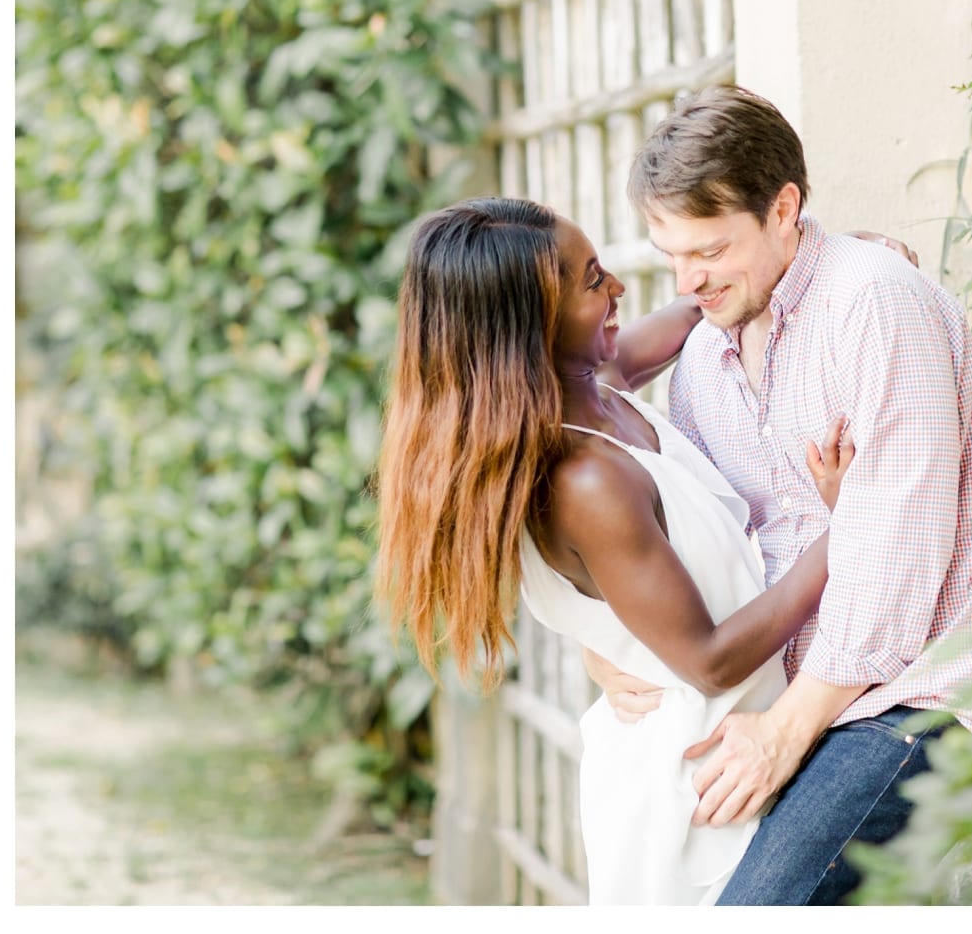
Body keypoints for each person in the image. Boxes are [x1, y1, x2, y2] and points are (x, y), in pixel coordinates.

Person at [373, 197, 907, 904]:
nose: (619, 288)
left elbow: (692, 312)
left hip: (740, 751)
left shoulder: (598, 384)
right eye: (593, 281)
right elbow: (711, 659)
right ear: (533, 323)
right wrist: (851, 522)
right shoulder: (585, 480)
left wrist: (803, 263)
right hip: (698, 789)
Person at [587, 85, 972, 905]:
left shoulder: (875, 305)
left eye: (711, 250)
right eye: (672, 254)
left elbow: (896, 577)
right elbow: (698, 540)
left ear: (784, 208)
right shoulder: (704, 362)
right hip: (799, 698)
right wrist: (601, 642)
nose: (689, 282)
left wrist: (782, 736)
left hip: (918, 694)